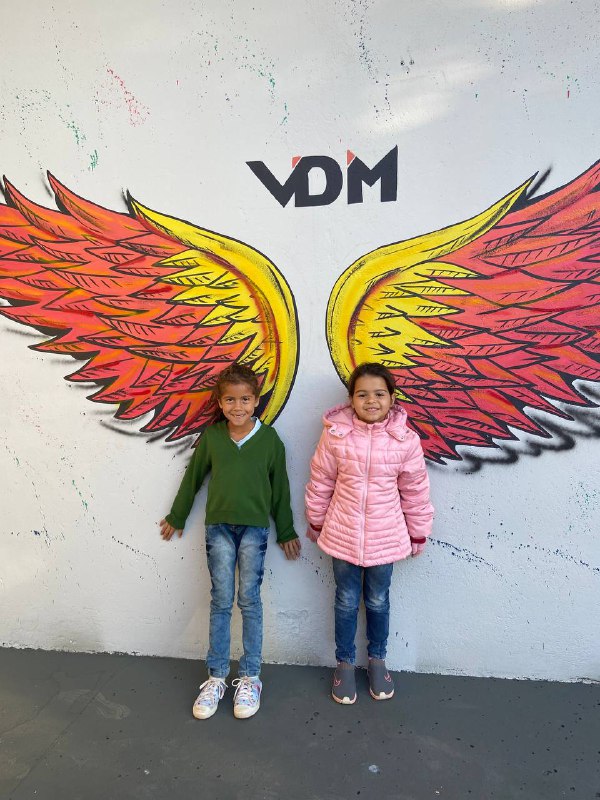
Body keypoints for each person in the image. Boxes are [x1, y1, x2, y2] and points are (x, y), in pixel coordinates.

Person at [160, 362, 301, 720]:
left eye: (245, 399)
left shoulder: (270, 441)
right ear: (220, 403)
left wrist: (286, 530)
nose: (238, 407)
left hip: (254, 531)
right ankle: (216, 677)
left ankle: (251, 677)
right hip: (219, 529)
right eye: (230, 400)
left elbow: (280, 490)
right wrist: (177, 515)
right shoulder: (212, 438)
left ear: (256, 401)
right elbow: (193, 478)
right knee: (221, 600)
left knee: (249, 600)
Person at [305, 362, 433, 704]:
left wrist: (418, 532)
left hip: (385, 538)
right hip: (343, 535)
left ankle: (377, 660)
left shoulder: (405, 441)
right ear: (351, 399)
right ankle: (345, 664)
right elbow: (321, 481)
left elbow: (415, 490)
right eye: (362, 394)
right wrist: (315, 521)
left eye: (379, 394)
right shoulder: (335, 435)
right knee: (346, 601)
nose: (371, 401)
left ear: (392, 398)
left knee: (378, 601)